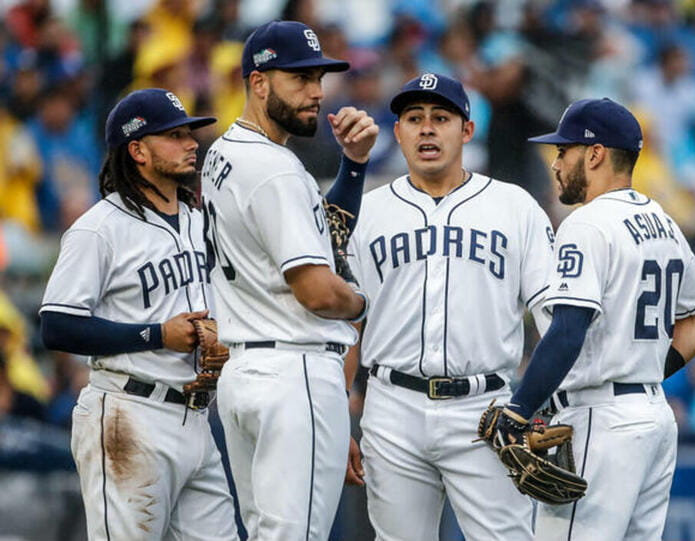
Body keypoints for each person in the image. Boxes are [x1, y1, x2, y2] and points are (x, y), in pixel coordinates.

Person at [495, 97, 695, 540]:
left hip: (603, 418)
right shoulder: (661, 220)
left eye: (564, 151)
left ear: (595, 154)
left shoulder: (587, 224)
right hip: (653, 416)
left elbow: (566, 331)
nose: (556, 163)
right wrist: (649, 370)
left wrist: (518, 410)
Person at [346, 73, 555, 540]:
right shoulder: (369, 211)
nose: (426, 129)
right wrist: (342, 417)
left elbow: (555, 317)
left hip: (486, 409)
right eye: (413, 118)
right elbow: (346, 326)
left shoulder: (513, 206)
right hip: (391, 405)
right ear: (396, 131)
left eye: (441, 118)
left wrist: (543, 401)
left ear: (466, 130)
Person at [201, 20, 378, 540]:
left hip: (247, 373)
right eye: (299, 79)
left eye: (318, 78)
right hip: (293, 373)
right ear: (258, 83)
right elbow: (320, 293)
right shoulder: (275, 170)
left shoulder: (224, 153)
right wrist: (364, 302)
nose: (316, 93)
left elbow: (322, 236)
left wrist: (354, 166)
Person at [39, 88, 238, 540]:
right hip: (129, 413)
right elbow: (57, 324)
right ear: (137, 149)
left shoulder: (195, 219)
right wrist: (156, 335)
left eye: (190, 133)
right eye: (174, 135)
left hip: (196, 416)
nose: (191, 143)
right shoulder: (98, 228)